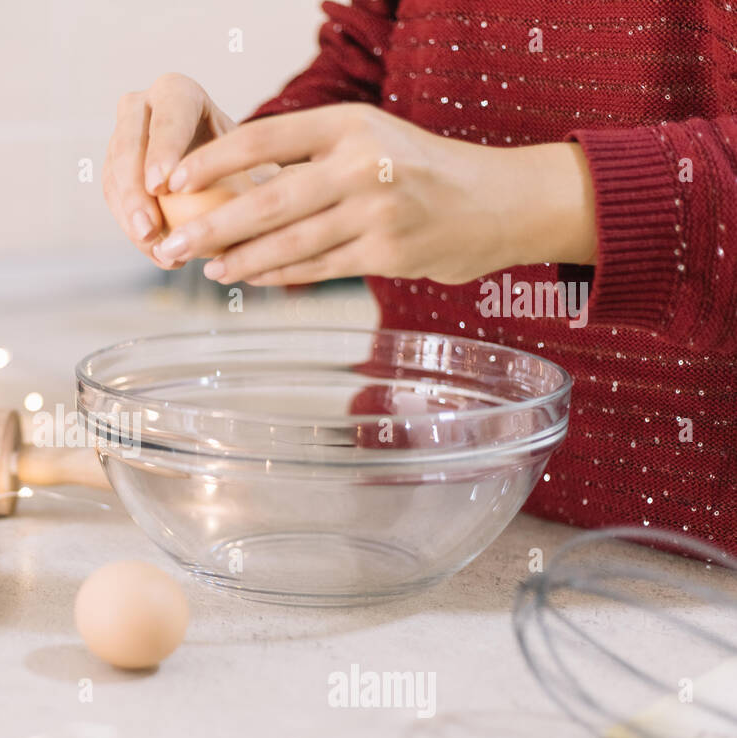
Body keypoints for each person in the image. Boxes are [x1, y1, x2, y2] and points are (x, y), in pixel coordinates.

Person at [103, 2, 736, 552]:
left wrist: (512, 198)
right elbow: (373, 60)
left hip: (703, 585)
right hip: (422, 509)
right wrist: (247, 171)